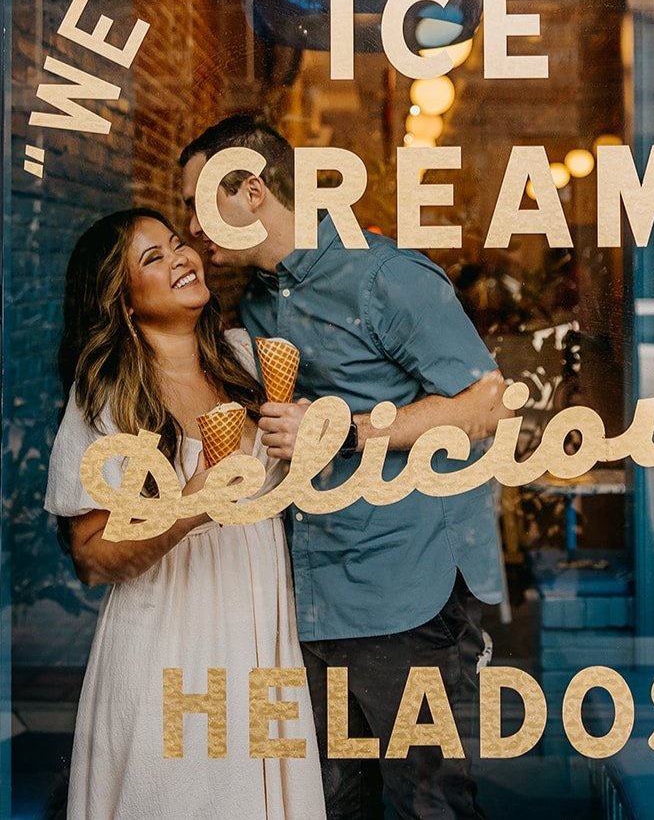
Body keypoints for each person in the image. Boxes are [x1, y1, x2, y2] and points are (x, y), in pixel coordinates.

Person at [180, 117, 510, 820]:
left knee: (431, 803)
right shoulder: (259, 300)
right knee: (331, 803)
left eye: (196, 201)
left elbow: (485, 404)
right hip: (312, 590)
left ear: (250, 190)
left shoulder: (382, 275)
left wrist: (346, 431)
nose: (190, 224)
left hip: (404, 588)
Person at [44, 208, 326, 820]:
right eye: (152, 258)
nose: (180, 258)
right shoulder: (108, 397)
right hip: (170, 639)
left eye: (176, 245)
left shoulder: (244, 360)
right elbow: (91, 555)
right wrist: (192, 505)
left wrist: (302, 438)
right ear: (122, 303)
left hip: (261, 629)